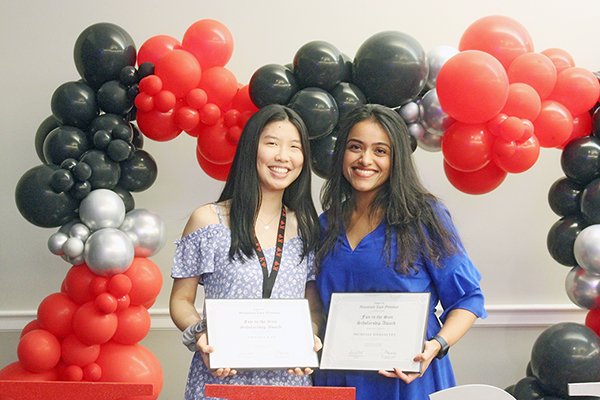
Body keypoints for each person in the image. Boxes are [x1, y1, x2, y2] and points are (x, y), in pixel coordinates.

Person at [314, 104, 487, 400]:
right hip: (337, 377)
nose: (365, 159)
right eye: (355, 147)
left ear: (397, 160)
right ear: (342, 152)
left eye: (380, 151)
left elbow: (468, 299)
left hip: (405, 380)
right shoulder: (326, 223)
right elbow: (315, 304)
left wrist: (436, 345)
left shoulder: (424, 216)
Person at [170, 104, 324, 400]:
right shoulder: (208, 221)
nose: (283, 156)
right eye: (271, 143)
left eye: (295, 147)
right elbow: (180, 300)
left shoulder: (306, 227)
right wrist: (202, 335)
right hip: (220, 378)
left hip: (287, 385)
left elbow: (312, 306)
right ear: (251, 149)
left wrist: (310, 335)